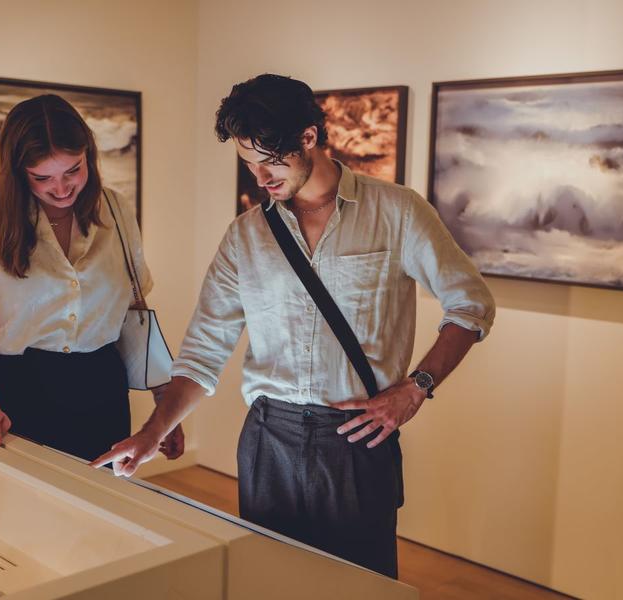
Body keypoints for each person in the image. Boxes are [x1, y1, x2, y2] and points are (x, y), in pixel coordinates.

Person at [91, 74, 494, 578]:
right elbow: (203, 353)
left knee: (358, 588)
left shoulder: (397, 212)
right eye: (249, 164)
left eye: (271, 161)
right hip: (268, 438)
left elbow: (471, 305)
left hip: (355, 438)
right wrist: (154, 431)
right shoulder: (245, 236)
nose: (260, 179)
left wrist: (416, 388)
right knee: (267, 583)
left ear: (308, 137)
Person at [0, 94, 182, 462]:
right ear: (17, 171)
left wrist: (166, 407)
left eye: (73, 170)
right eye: (43, 177)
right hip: (11, 396)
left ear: (89, 156)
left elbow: (134, 315)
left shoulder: (116, 210)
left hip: (101, 390)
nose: (62, 188)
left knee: (97, 510)